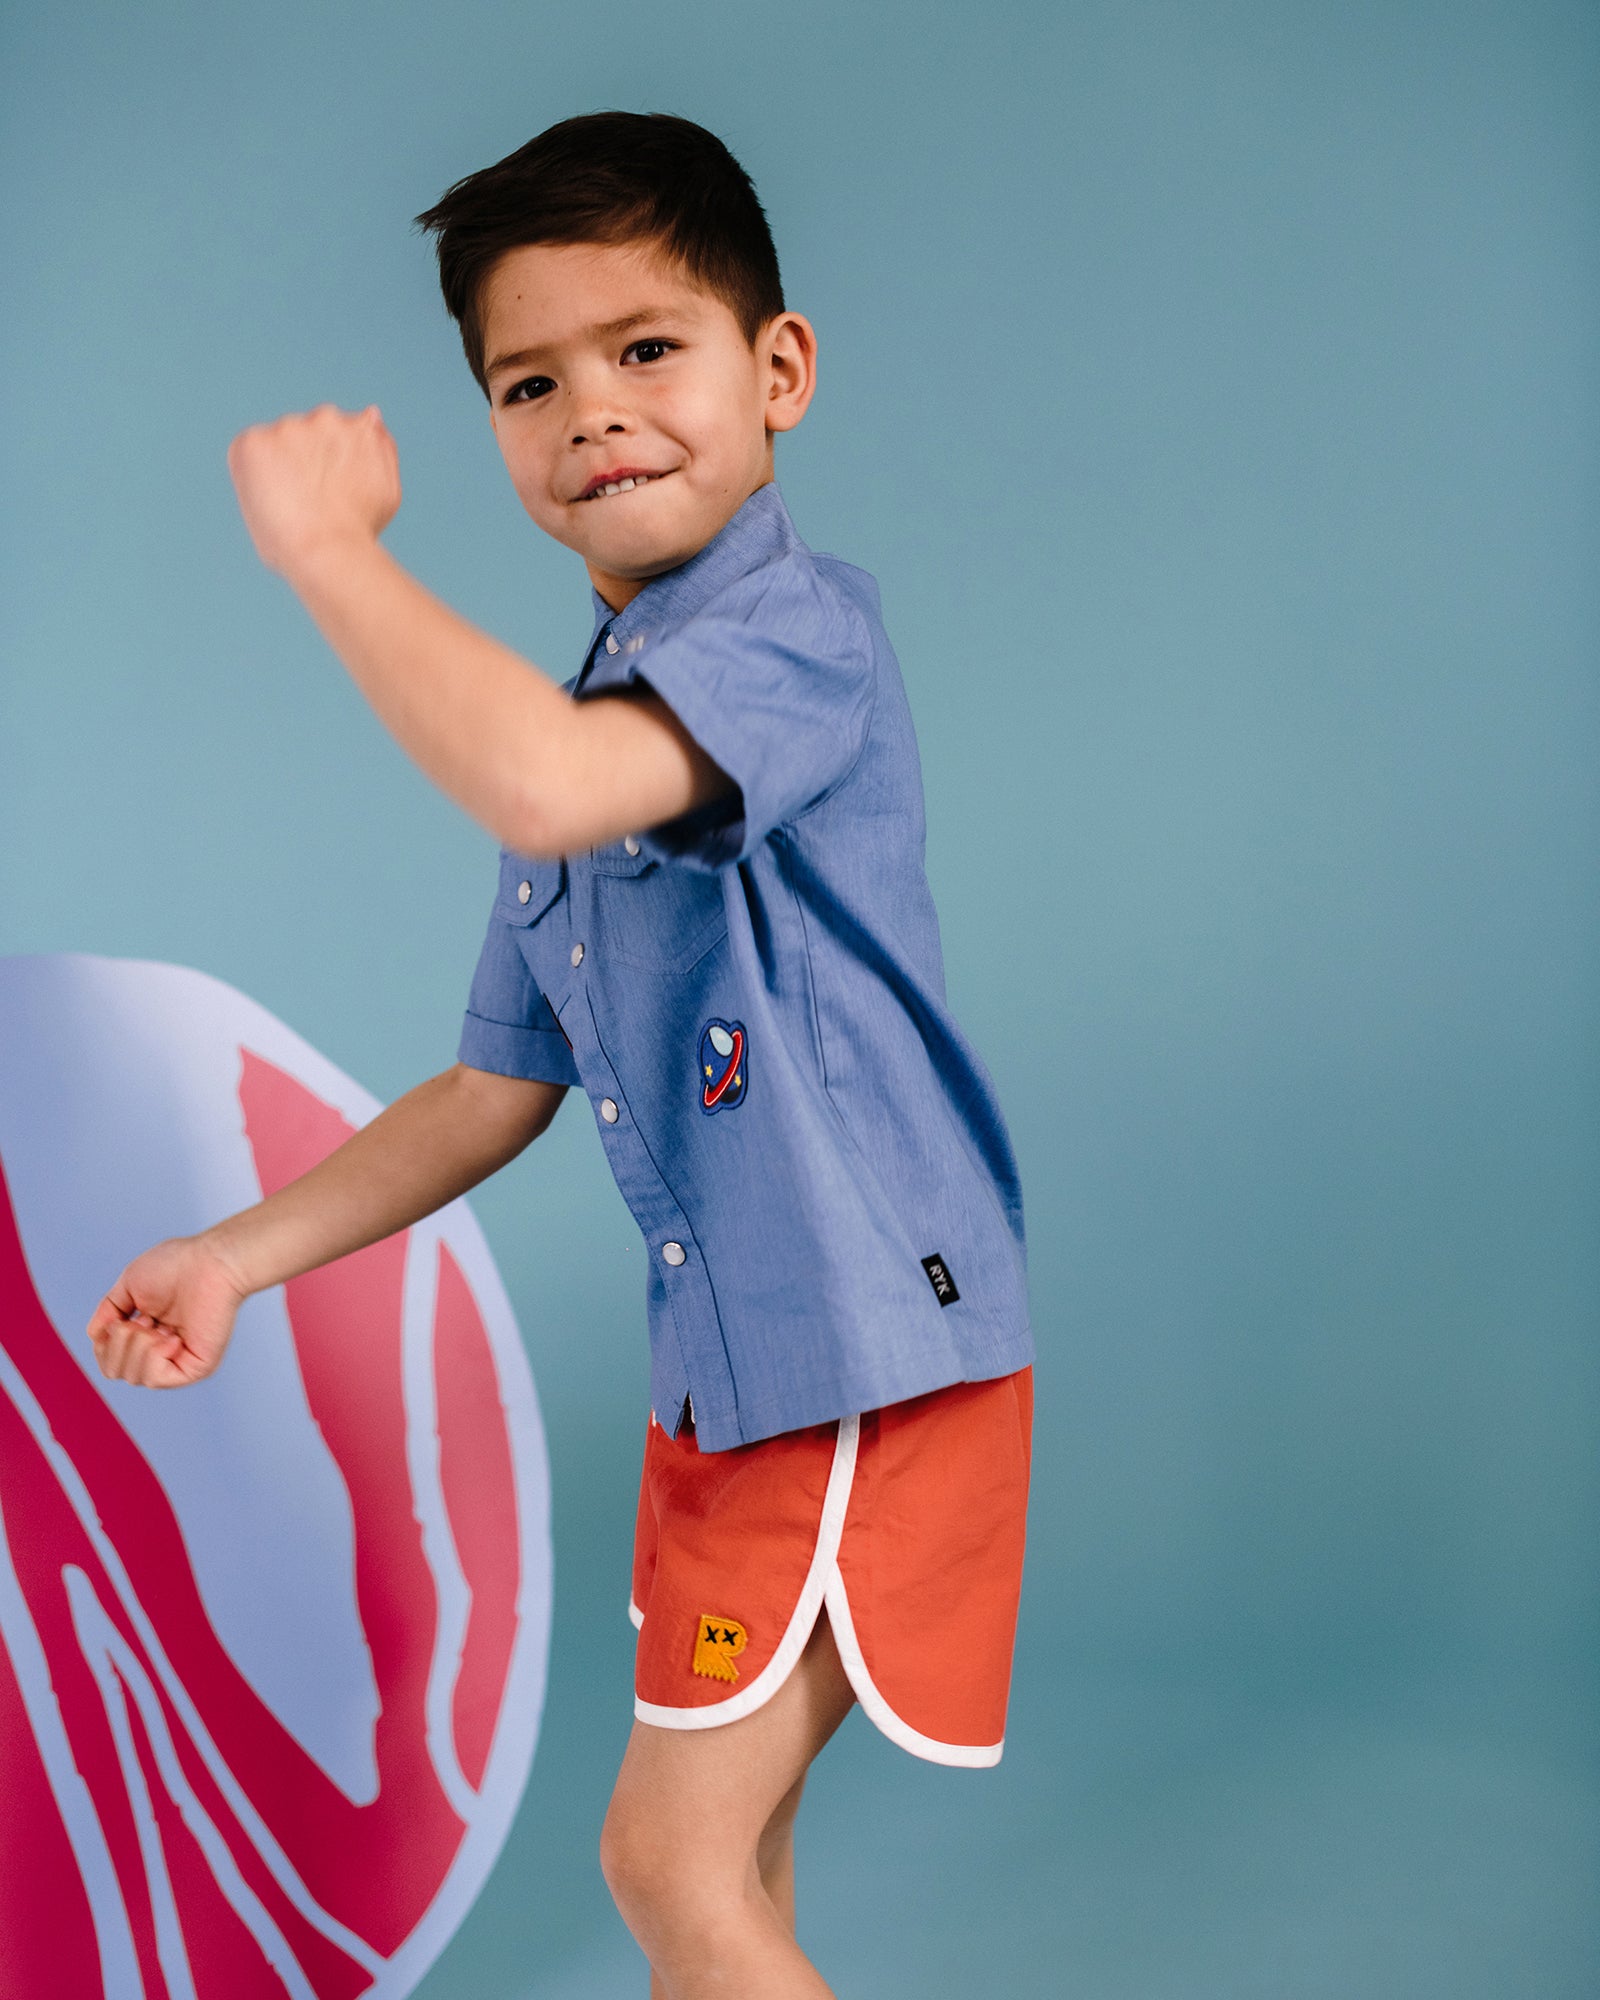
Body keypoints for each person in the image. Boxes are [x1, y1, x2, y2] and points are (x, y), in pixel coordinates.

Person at [86, 110, 1034, 1999]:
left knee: (662, 1861)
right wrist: (235, 1258)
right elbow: (491, 1088)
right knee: (731, 1872)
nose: (593, 410)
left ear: (780, 372)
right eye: (532, 382)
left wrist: (329, 558)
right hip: (733, 1374)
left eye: (648, 348)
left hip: (862, 1354)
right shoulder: (594, 719)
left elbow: (541, 774)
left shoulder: (792, 634)